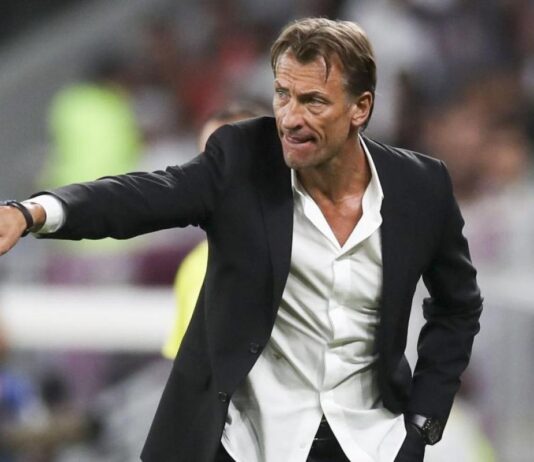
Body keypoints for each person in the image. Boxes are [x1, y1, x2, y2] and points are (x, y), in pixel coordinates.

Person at [0, 18, 482, 462]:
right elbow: (143, 196)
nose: (290, 117)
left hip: (368, 444)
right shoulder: (242, 158)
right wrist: (33, 212)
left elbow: (457, 307)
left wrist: (422, 423)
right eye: (282, 95)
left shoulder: (421, 186)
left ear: (361, 108)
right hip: (246, 445)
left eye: (313, 101)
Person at [162, 102, 269, 360]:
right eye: (206, 160)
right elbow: (187, 369)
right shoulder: (196, 264)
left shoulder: (304, 251)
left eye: (230, 158)